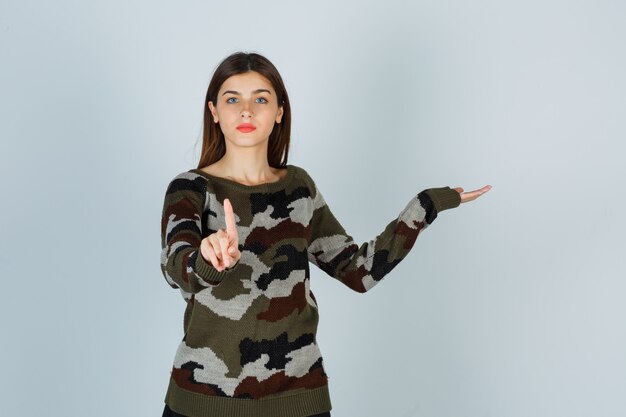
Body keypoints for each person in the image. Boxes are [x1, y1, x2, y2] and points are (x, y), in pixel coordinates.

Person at [159, 51, 491, 417]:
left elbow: (359, 271)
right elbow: (177, 267)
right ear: (214, 111)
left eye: (261, 98)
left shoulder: (299, 188)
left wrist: (423, 207)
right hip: (202, 402)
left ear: (280, 111)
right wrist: (208, 258)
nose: (247, 110)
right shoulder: (190, 188)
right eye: (232, 98)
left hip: (299, 399)